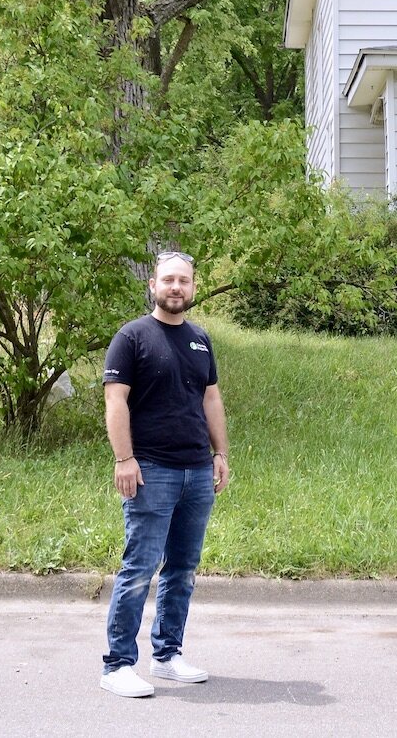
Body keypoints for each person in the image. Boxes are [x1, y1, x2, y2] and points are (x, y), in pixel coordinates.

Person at [99, 250, 231, 698]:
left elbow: (210, 399)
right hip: (150, 470)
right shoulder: (132, 337)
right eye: (168, 280)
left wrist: (220, 454)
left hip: (197, 471)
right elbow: (115, 401)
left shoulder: (200, 339)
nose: (176, 287)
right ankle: (117, 664)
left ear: (193, 288)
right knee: (139, 568)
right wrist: (124, 458)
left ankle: (167, 655)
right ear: (153, 286)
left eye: (184, 281)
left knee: (183, 570)